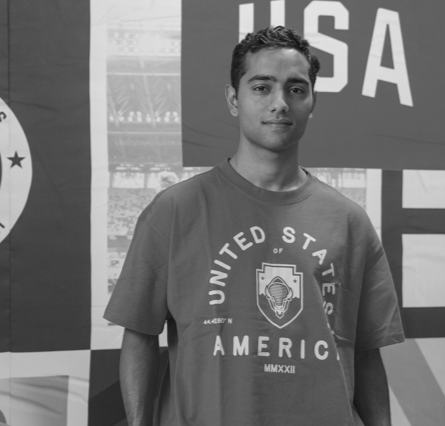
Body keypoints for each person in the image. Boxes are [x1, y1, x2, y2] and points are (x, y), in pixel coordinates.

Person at [104, 26, 404, 426]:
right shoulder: (174, 210)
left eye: (296, 89)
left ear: (312, 102)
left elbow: (365, 354)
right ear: (234, 99)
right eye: (262, 87)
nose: (280, 103)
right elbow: (139, 335)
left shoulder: (350, 221)